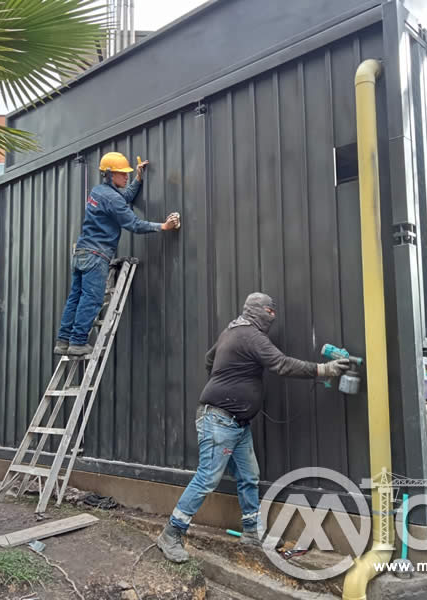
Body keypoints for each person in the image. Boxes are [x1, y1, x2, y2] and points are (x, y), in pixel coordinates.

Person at [156, 292, 350, 563]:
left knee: (249, 476)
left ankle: (251, 532)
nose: (272, 316)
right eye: (269, 312)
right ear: (257, 311)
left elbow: (209, 360)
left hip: (237, 423)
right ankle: (171, 534)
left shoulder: (231, 332)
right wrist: (324, 370)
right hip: (220, 420)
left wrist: (229, 379)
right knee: (207, 478)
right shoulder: (250, 335)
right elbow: (281, 364)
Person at [55, 152, 180, 355]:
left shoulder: (98, 192)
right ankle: (77, 342)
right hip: (97, 255)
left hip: (81, 252)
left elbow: (125, 197)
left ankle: (63, 340)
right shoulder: (112, 199)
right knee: (92, 299)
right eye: (123, 174)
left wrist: (139, 179)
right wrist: (163, 226)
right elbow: (134, 224)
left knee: (75, 297)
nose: (126, 177)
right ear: (110, 174)